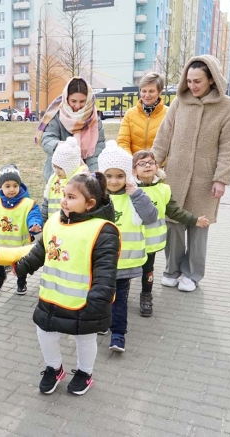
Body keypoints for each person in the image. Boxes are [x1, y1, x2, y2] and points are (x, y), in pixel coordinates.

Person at [14, 172, 120, 395]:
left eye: (71, 197)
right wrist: (23, 266)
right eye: (64, 195)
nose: (64, 200)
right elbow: (42, 250)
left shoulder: (103, 231)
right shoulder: (54, 221)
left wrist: (99, 299)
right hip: (51, 295)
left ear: (90, 204)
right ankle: (54, 368)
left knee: (84, 338)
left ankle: (85, 372)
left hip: (84, 301)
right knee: (44, 332)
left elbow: (106, 271)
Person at [152, 55, 230, 292]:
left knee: (199, 227)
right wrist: (151, 165)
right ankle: (172, 269)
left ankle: (192, 274)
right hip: (175, 176)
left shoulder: (227, 106)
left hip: (205, 179)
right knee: (174, 225)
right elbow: (163, 137)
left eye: (197, 81)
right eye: (189, 81)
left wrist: (221, 178)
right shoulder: (180, 103)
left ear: (212, 79)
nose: (192, 86)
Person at [132, 150, 210, 317]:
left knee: (148, 270)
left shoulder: (164, 189)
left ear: (157, 167)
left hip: (149, 243)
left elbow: (175, 212)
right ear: (133, 170)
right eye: (142, 163)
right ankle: (119, 297)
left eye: (151, 163)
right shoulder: (127, 190)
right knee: (124, 271)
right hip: (128, 242)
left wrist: (194, 220)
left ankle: (146, 296)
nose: (147, 165)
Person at [98, 141, 158, 352]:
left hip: (125, 262)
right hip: (100, 263)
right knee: (101, 297)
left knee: (119, 300)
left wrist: (136, 193)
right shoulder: (96, 198)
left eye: (120, 176)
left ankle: (118, 334)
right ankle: (104, 323)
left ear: (128, 176)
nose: (114, 181)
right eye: (109, 176)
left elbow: (151, 217)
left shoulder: (135, 196)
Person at [0, 164, 43, 294]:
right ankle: (1, 276)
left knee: (21, 264)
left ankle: (21, 282)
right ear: (0, 186)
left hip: (19, 245)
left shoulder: (28, 203)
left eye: (15, 185)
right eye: (7, 186)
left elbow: (34, 215)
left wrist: (35, 224)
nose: (11, 189)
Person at [36, 77, 106, 181]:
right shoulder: (56, 114)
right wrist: (59, 146)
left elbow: (97, 150)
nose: (77, 106)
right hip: (58, 175)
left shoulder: (94, 119)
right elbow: (47, 139)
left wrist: (93, 176)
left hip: (84, 176)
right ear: (66, 98)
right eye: (73, 101)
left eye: (82, 101)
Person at [117, 72, 168, 155]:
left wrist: (153, 164)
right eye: (144, 91)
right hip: (134, 164)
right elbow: (123, 142)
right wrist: (133, 162)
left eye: (151, 91)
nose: (147, 95)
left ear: (159, 92)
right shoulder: (130, 114)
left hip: (159, 166)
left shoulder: (168, 114)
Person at [41, 137, 89, 220]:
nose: (57, 171)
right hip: (53, 223)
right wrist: (43, 218)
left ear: (71, 167)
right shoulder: (53, 178)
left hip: (71, 225)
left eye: (60, 168)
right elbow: (46, 199)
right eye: (55, 167)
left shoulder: (81, 179)